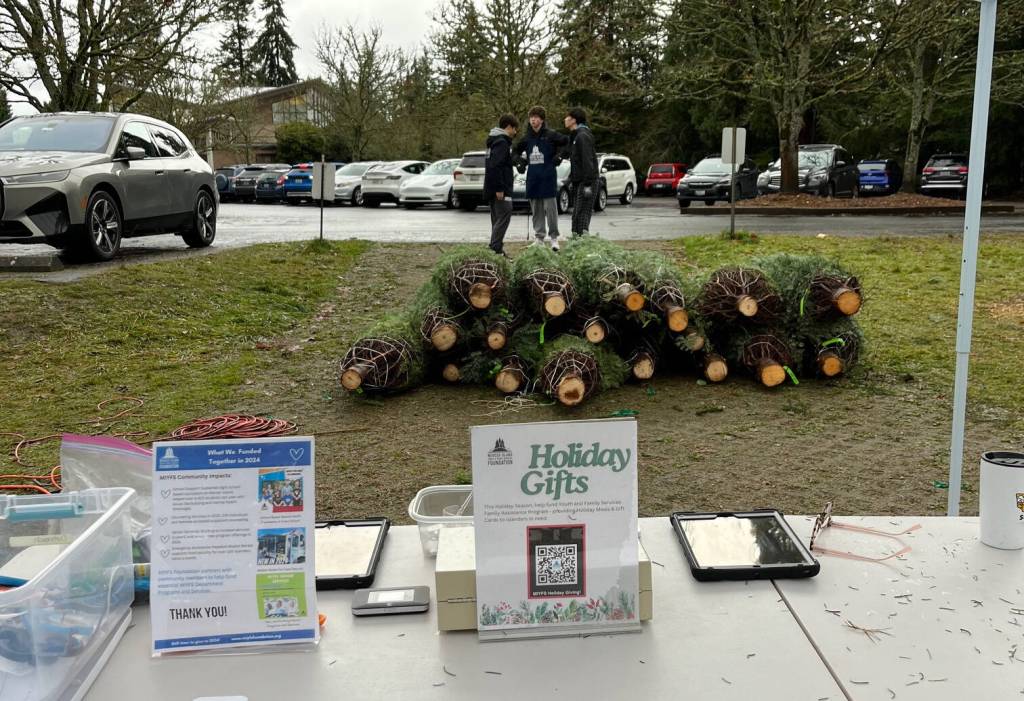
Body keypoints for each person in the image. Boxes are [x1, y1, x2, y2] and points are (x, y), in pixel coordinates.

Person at [513, 106, 569, 250]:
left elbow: (567, 142)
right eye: (531, 117)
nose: (533, 120)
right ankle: (539, 238)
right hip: (533, 178)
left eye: (536, 117)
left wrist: (560, 156)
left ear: (542, 119)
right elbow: (514, 152)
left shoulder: (551, 135)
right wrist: (519, 162)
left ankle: (554, 238)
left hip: (548, 177)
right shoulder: (527, 137)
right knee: (536, 209)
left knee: (551, 209)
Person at [484, 114, 519, 255]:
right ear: (509, 127)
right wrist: (500, 188)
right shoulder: (501, 142)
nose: (515, 132)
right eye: (515, 129)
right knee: (505, 214)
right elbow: (496, 166)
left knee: (497, 219)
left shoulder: (494, 141)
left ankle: (496, 249)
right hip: (500, 189)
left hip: (491, 187)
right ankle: (495, 248)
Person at [564, 107, 598, 237]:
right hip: (579, 181)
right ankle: (577, 244)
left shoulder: (582, 136)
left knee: (582, 215)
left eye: (567, 117)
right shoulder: (576, 135)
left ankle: (583, 246)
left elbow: (587, 160)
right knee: (576, 216)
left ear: (574, 120)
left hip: (587, 181)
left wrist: (588, 184)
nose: (565, 119)